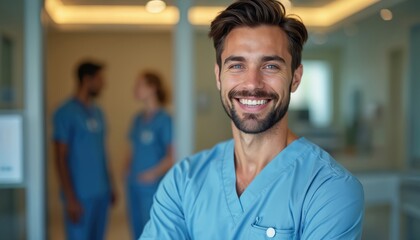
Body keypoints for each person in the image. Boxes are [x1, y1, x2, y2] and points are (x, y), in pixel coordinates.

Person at [140, 0, 364, 239]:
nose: (252, 84)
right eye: (237, 65)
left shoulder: (329, 189)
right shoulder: (183, 181)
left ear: (295, 78)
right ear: (219, 76)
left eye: (270, 66)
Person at [53, 61, 115, 240]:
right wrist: (70, 198)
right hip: (80, 195)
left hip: (101, 192)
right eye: (100, 79)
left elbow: (102, 150)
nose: (104, 84)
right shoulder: (65, 112)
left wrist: (110, 184)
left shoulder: (98, 112)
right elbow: (59, 157)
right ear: (87, 80)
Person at [125, 71, 173, 239]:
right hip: (134, 184)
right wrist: (127, 171)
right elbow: (132, 150)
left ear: (153, 88)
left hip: (152, 186)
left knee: (151, 230)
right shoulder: (137, 119)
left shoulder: (165, 120)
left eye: (140, 85)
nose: (135, 89)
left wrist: (151, 174)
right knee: (136, 229)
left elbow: (172, 156)